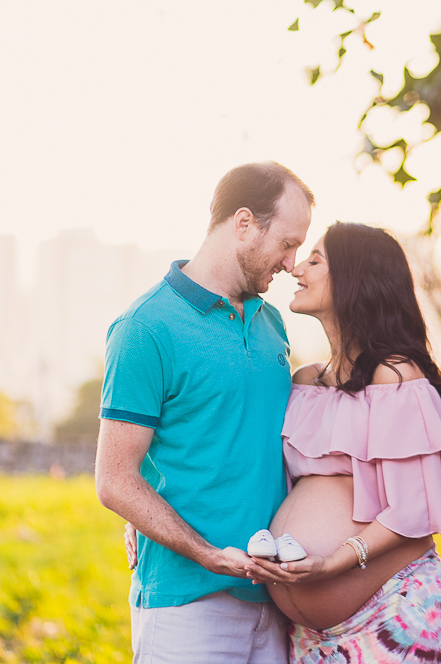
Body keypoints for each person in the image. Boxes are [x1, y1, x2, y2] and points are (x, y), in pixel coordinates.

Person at [95, 161, 314, 663]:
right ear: (244, 224)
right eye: (287, 243)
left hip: (274, 600)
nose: (291, 263)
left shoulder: (271, 322)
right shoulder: (144, 328)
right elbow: (115, 480)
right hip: (186, 606)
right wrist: (209, 555)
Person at [243, 222, 441, 663]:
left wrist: (331, 564)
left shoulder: (395, 377)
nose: (296, 269)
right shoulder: (305, 381)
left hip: (395, 617)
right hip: (310, 640)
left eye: (315, 260)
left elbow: (412, 510)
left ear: (354, 279)